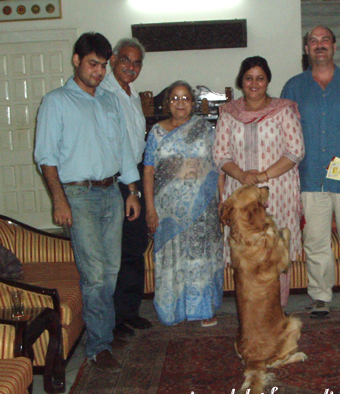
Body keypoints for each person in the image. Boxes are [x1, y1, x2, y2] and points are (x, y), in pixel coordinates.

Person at [34, 32, 141, 373]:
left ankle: (104, 332)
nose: (98, 72)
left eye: (102, 65)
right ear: (76, 61)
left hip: (112, 192)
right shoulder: (56, 102)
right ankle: (98, 347)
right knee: (95, 274)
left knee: (110, 271)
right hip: (77, 195)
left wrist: (133, 191)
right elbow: (46, 158)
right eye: (92, 64)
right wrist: (59, 200)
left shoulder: (109, 101)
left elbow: (123, 150)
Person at [281, 26, 340, 318]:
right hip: (310, 177)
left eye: (324, 41)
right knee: (316, 241)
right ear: (306, 49)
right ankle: (320, 296)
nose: (319, 45)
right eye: (313, 41)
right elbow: (284, 131)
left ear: (334, 46)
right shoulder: (293, 87)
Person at [213, 56, 305, 307]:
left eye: (260, 78)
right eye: (249, 78)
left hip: (277, 192)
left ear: (268, 81)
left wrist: (262, 177)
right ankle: (251, 310)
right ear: (241, 81)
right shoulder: (229, 113)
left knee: (275, 251)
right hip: (240, 193)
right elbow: (220, 155)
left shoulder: (284, 110)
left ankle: (277, 309)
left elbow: (295, 151)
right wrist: (243, 176)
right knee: (247, 252)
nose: (254, 83)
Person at [143, 80, 224, 327]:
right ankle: (173, 310)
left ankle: (204, 309)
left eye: (186, 98)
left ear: (193, 103)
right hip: (167, 210)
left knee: (201, 256)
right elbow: (148, 172)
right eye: (175, 98)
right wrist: (150, 208)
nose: (180, 103)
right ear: (167, 103)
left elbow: (218, 167)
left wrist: (222, 200)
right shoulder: (156, 132)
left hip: (202, 208)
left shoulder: (205, 130)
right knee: (172, 258)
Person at [100, 38, 152, 339]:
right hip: (115, 181)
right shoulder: (103, 93)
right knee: (115, 253)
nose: (131, 67)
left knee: (135, 247)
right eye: (126, 60)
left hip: (134, 179)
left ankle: (131, 312)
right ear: (114, 59)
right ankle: (115, 318)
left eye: (136, 63)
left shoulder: (132, 95)